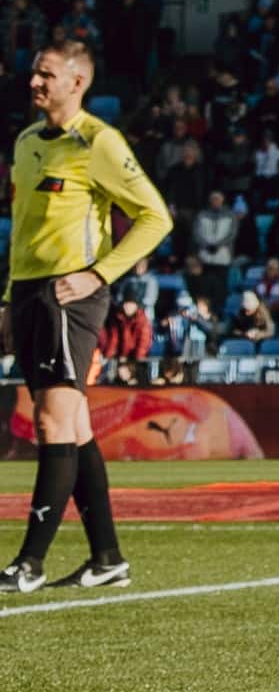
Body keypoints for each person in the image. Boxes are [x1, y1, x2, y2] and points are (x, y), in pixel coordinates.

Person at [5, 39, 166, 595]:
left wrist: (100, 275)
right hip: (28, 292)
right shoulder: (27, 141)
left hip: (69, 295)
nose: (34, 82)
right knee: (74, 427)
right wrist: (9, 297)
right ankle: (107, 557)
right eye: (33, 72)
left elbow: (155, 217)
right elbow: (25, 230)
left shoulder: (98, 142)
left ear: (78, 82)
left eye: (46, 74)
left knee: (52, 421)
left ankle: (29, 562)